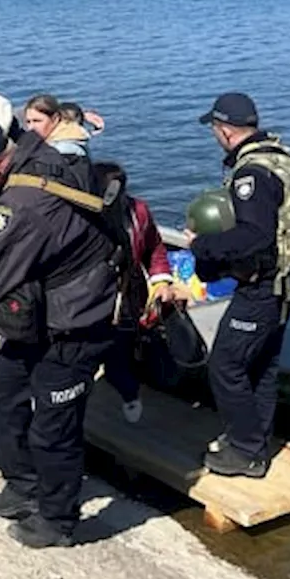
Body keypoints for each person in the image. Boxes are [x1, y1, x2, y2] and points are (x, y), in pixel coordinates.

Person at [0, 117, 121, 549]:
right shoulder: (42, 157)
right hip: (45, 308)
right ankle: (25, 484)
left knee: (55, 424)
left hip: (77, 321)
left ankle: (58, 519)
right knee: (4, 384)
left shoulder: (20, 203)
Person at [183, 92, 290, 478]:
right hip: (288, 278)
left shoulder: (251, 175)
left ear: (225, 131)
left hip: (265, 285)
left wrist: (202, 245)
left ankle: (246, 452)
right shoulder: (280, 156)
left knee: (225, 365)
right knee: (260, 365)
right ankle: (254, 440)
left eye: (214, 128)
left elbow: (254, 235)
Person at [91, 161, 185, 423]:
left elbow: (154, 247)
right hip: (90, 294)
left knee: (125, 344)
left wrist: (161, 281)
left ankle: (128, 389)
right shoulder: (80, 215)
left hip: (129, 292)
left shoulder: (138, 212)